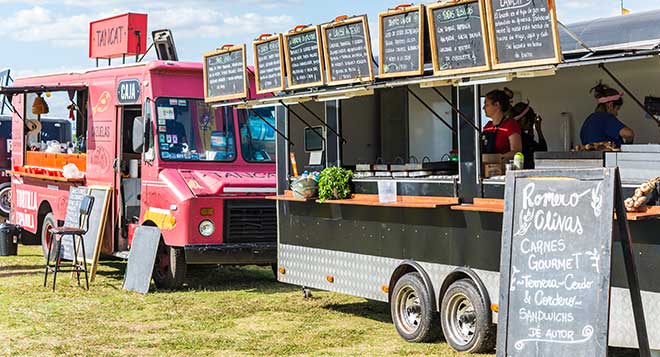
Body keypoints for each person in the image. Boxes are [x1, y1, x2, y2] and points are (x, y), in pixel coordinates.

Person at [580, 82, 634, 147]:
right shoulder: (606, 118)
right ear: (610, 105)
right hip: (607, 156)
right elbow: (629, 134)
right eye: (617, 109)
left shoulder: (590, 119)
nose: (617, 114)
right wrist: (628, 145)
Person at [481, 88, 522, 162]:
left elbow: (516, 152)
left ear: (497, 105)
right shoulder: (487, 127)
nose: (483, 108)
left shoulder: (510, 124)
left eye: (486, 104)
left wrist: (498, 157)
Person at [511, 102, 547, 169]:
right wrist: (538, 130)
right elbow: (543, 151)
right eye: (531, 119)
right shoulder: (523, 137)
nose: (532, 122)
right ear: (524, 119)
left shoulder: (512, 134)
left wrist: (531, 129)